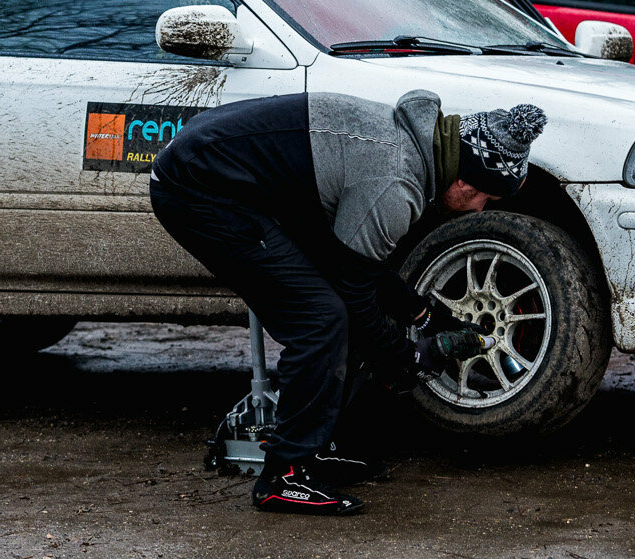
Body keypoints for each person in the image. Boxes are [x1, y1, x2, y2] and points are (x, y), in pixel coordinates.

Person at [149, 90, 547, 516]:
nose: (480, 209)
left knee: (330, 301)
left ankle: (317, 447)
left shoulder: (412, 143)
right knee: (321, 320)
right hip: (199, 187)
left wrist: (426, 313)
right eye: (487, 198)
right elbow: (353, 296)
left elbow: (355, 265)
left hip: (238, 174)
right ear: (464, 182)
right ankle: (283, 476)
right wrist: (412, 357)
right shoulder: (396, 184)